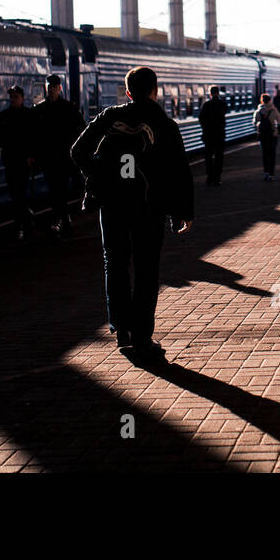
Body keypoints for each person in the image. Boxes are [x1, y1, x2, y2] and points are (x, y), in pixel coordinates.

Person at [71, 66, 193, 363]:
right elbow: (179, 172)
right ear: (155, 90)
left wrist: (97, 176)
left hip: (112, 203)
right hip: (149, 205)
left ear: (128, 92)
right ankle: (142, 338)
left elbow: (78, 150)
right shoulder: (164, 123)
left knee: (114, 263)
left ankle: (122, 330)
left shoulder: (110, 116)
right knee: (146, 269)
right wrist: (182, 212)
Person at [34, 73, 85, 238]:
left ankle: (58, 220)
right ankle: (64, 220)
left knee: (59, 189)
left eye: (54, 88)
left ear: (59, 88)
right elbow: (33, 135)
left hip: (64, 157)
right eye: (49, 88)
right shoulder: (39, 110)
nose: (51, 90)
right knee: (55, 189)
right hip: (48, 158)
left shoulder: (69, 108)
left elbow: (81, 129)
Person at [0, 85, 36, 241]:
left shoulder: (29, 116)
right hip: (10, 161)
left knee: (19, 193)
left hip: (24, 162)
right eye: (12, 97)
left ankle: (21, 224)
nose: (13, 99)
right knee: (16, 194)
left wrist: (33, 156)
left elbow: (36, 138)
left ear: (22, 98)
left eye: (16, 97)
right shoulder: (3, 117)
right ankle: (25, 221)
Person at [198, 84, 227, 186]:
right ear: (218, 93)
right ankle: (217, 178)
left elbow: (201, 119)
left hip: (208, 135)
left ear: (210, 93)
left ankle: (210, 177)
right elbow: (224, 114)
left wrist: (205, 128)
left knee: (209, 157)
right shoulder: (223, 104)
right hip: (219, 134)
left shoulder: (206, 105)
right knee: (219, 157)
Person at [252, 92, 280, 180]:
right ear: (270, 100)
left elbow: (254, 122)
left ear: (262, 101)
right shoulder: (273, 110)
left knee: (265, 154)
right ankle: (271, 174)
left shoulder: (258, 111)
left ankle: (265, 173)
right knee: (272, 155)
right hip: (273, 134)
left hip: (262, 135)